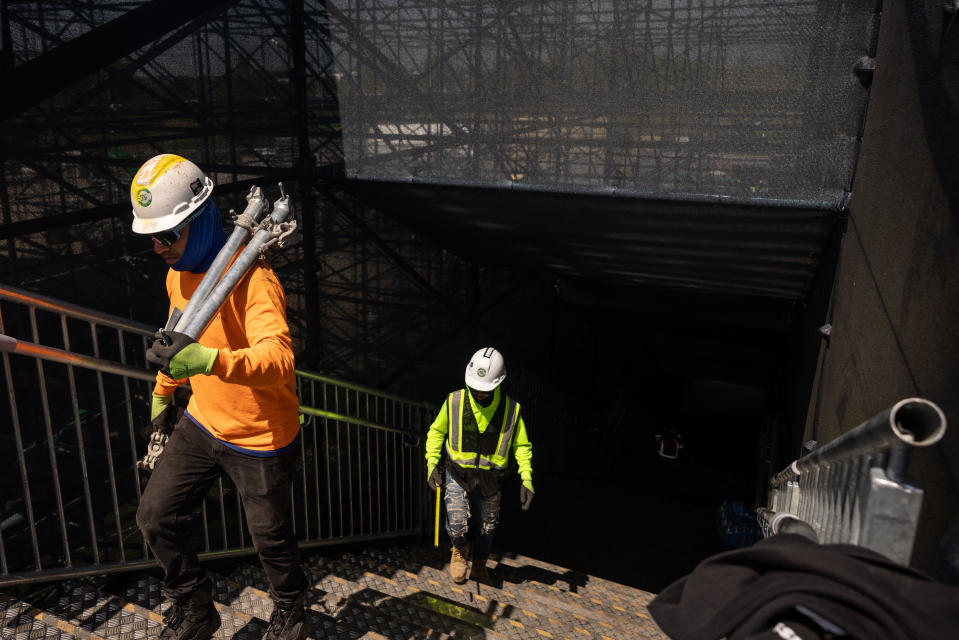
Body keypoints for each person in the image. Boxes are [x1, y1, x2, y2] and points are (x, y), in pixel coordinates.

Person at [130, 153, 310, 640]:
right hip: (203, 421)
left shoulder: (255, 279)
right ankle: (195, 609)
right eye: (151, 236)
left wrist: (212, 363)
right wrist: (165, 393)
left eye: (169, 235)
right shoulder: (178, 273)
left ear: (203, 219)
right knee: (156, 517)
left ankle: (291, 610)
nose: (158, 248)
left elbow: (280, 359)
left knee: (270, 539)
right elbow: (178, 335)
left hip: (261, 437)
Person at [424, 347, 535, 584]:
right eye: (475, 387)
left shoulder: (512, 411)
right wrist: (432, 463)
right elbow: (436, 432)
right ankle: (460, 551)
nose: (479, 393)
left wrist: (526, 478)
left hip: (491, 479)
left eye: (485, 389)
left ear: (499, 383)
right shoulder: (454, 401)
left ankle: (480, 564)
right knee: (456, 522)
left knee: (488, 526)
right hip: (457, 472)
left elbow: (522, 446)